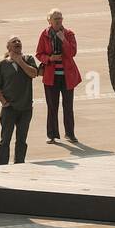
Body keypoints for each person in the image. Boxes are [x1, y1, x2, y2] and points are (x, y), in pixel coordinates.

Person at [0, 36, 39, 166]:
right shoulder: (1, 65)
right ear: (8, 47)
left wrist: (20, 62)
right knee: (5, 140)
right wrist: (4, 102)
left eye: (19, 41)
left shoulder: (28, 59)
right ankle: (1, 165)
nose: (17, 43)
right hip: (9, 109)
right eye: (14, 42)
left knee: (21, 140)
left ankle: (19, 164)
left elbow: (33, 73)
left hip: (26, 108)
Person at [36, 10, 81, 144]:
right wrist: (50, 58)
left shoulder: (68, 34)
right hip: (51, 77)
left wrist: (63, 40)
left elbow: (72, 52)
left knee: (68, 106)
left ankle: (70, 133)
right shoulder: (44, 35)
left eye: (60, 18)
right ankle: (52, 134)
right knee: (52, 106)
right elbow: (39, 54)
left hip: (67, 76)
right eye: (55, 19)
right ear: (49, 21)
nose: (58, 21)